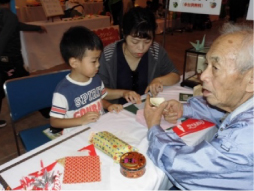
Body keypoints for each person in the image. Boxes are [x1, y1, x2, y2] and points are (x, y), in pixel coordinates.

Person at [144, 23, 253, 190]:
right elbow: (219, 110)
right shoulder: (244, 102)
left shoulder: (243, 140)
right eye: (206, 65)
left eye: (215, 68)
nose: (203, 76)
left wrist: (153, 127)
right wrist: (184, 109)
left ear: (251, 79)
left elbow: (182, 166)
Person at [98, 7, 180, 105]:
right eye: (135, 41)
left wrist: (159, 80)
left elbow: (175, 75)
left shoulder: (155, 50)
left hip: (147, 107)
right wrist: (123, 93)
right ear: (124, 34)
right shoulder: (109, 55)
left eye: (147, 41)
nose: (141, 48)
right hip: (118, 111)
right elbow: (98, 90)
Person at [49, 26, 123, 135]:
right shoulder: (63, 91)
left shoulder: (96, 79)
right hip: (77, 135)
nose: (98, 64)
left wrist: (108, 106)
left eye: (98, 59)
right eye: (93, 61)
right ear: (74, 63)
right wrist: (81, 120)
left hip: (98, 128)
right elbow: (54, 122)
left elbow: (99, 99)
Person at [0, 0, 46, 128]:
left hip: (5, 60)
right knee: (27, 84)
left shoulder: (6, 17)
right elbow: (3, 39)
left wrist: (37, 28)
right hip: (11, 60)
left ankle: (42, 110)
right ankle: (45, 111)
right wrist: (7, 66)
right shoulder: (9, 16)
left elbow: (18, 26)